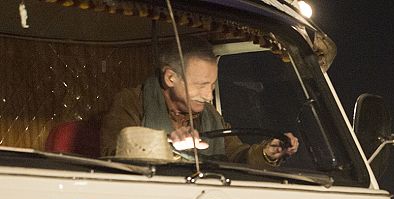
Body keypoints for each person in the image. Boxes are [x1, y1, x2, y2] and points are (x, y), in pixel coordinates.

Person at [100, 38, 298, 165]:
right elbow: (112, 154)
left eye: (212, 86)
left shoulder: (209, 113)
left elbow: (235, 154)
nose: (208, 95)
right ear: (170, 78)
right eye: (201, 84)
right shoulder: (133, 101)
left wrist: (267, 153)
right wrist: (167, 142)